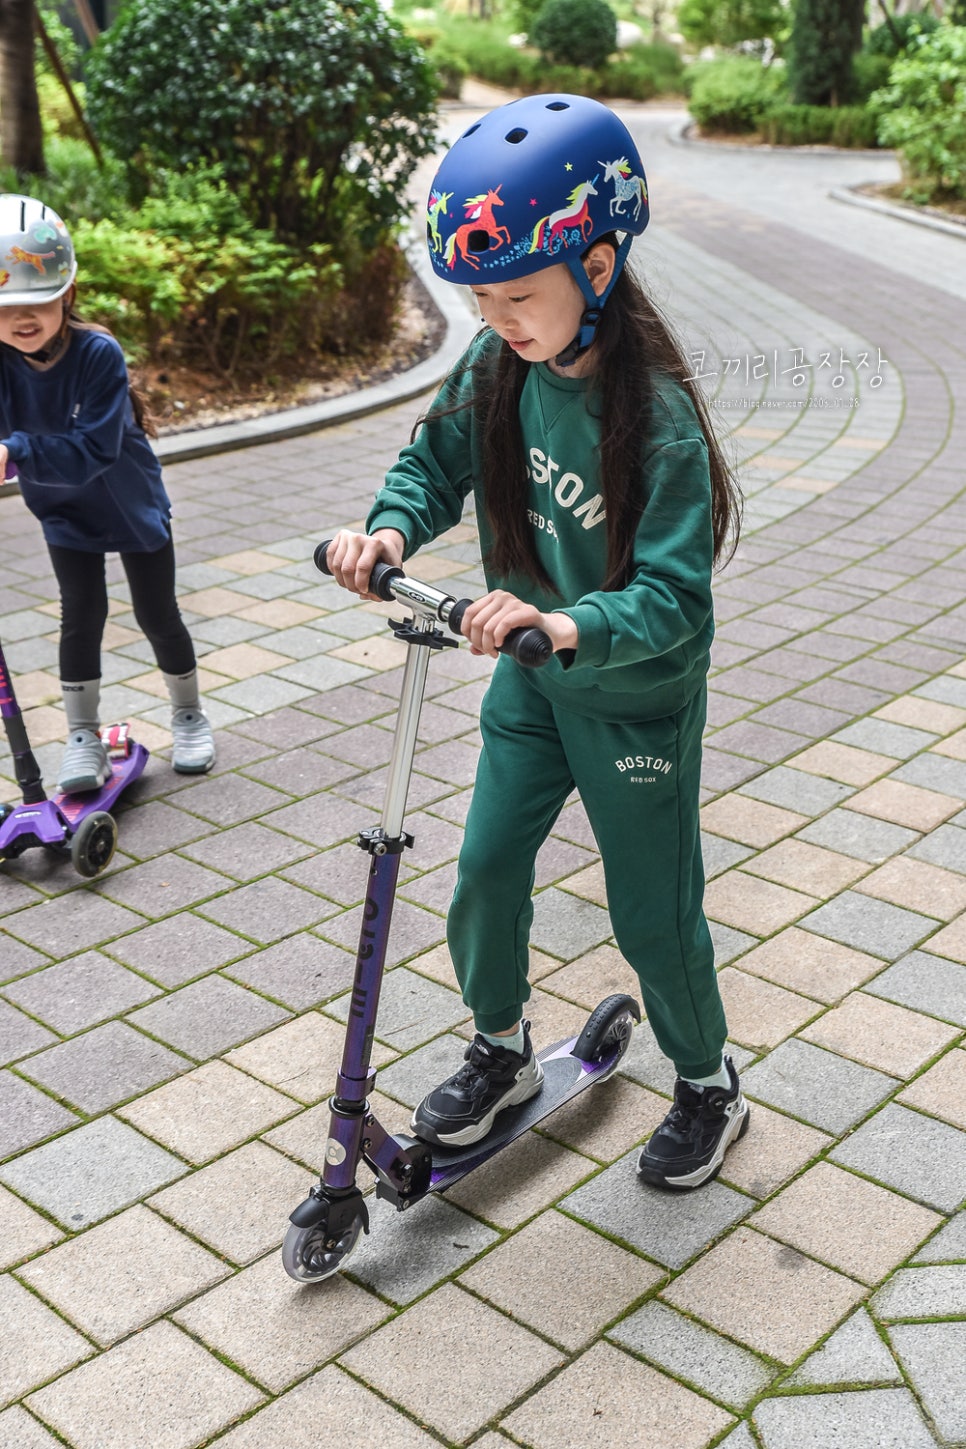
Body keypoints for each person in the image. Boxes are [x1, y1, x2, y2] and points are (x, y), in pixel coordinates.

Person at [327, 94, 748, 1191]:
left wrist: (564, 622)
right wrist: (389, 526)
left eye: (518, 293)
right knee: (482, 870)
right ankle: (502, 1050)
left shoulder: (654, 417)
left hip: (631, 695)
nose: (495, 314)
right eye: (478, 293)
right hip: (534, 685)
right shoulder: (499, 368)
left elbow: (674, 602)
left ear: (599, 266)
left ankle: (706, 1080)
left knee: (650, 912)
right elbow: (434, 461)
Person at [0, 194, 214, 791]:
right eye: (4, 305)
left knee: (156, 613)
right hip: (62, 510)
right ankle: (82, 736)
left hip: (129, 503)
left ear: (66, 294)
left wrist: (14, 453)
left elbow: (93, 450)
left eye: (36, 299)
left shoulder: (97, 354)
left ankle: (189, 715)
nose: (21, 318)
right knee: (81, 616)